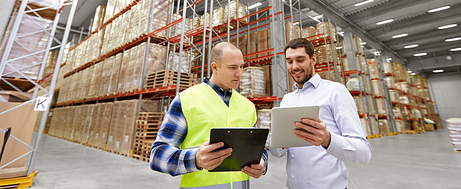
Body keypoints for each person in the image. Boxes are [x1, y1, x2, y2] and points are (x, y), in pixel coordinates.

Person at [150, 42, 267, 188]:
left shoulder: (247, 106)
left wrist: (262, 163)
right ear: (214, 67)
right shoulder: (186, 100)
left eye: (241, 66)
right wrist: (196, 159)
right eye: (232, 67)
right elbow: (157, 155)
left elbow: (257, 148)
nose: (239, 73)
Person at [270, 38, 371, 189]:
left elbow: (364, 152)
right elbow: (276, 152)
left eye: (300, 59)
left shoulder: (335, 92)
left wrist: (327, 139)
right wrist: (279, 144)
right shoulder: (287, 100)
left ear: (313, 60)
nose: (295, 66)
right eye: (289, 61)